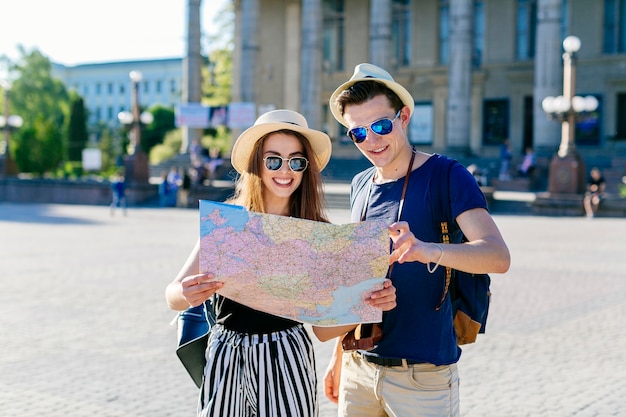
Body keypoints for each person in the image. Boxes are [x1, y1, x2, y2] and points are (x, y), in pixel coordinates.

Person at [165, 109, 397, 417]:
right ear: (256, 164)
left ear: (305, 169)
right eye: (273, 159)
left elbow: (323, 331)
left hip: (287, 356)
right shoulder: (228, 220)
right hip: (227, 353)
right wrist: (186, 293)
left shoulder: (318, 232)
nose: (284, 170)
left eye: (296, 161)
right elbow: (173, 295)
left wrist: (371, 302)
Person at [321, 63, 511, 417]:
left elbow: (498, 256)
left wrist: (428, 250)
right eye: (358, 133)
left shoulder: (447, 175)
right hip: (359, 369)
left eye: (380, 126)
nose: (372, 141)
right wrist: (339, 357)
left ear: (404, 117)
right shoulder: (360, 184)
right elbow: (356, 278)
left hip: (423, 377)